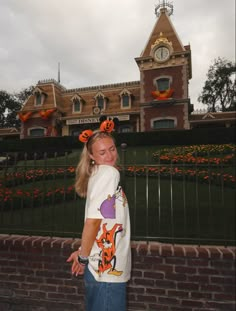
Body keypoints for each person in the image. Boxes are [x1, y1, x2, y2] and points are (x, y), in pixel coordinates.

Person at [67, 120, 131, 311]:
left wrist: (81, 251)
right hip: (106, 271)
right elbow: (93, 221)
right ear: (92, 156)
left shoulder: (97, 173)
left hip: (100, 267)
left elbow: (102, 221)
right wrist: (83, 258)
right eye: (102, 152)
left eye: (112, 149)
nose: (110, 155)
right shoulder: (109, 174)